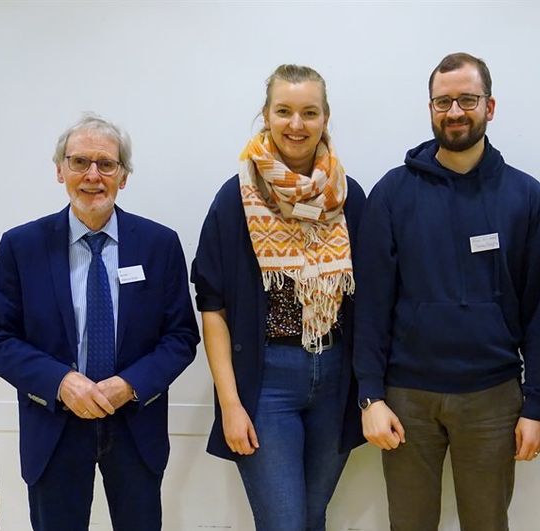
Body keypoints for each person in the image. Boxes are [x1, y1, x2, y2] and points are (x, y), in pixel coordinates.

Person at [354, 52, 540, 531]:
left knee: (487, 524)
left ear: (490, 107)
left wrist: (535, 404)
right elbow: (371, 305)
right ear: (429, 109)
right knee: (409, 524)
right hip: (406, 397)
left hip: (492, 398)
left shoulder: (526, 198)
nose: (454, 112)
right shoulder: (392, 193)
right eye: (443, 101)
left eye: (467, 99)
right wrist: (369, 395)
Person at [0, 113, 199, 530]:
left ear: (124, 175)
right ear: (60, 169)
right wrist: (62, 382)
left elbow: (181, 337)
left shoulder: (159, 245)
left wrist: (129, 384)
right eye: (79, 162)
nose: (92, 175)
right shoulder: (21, 247)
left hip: (135, 424)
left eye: (106, 164)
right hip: (55, 425)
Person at [191, 64, 366, 531]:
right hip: (266, 383)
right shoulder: (236, 200)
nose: (296, 124)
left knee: (312, 517)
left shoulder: (349, 197)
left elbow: (370, 301)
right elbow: (213, 307)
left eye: (309, 112)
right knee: (283, 522)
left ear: (326, 117)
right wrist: (231, 404)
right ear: (265, 116)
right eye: (284, 111)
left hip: (336, 380)